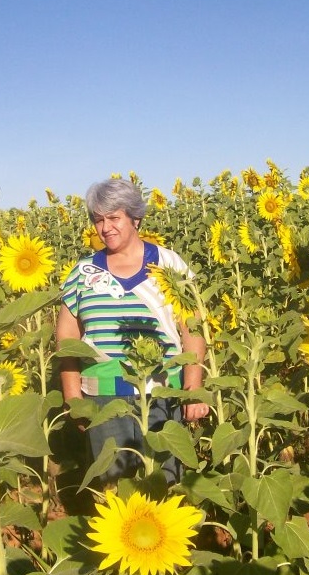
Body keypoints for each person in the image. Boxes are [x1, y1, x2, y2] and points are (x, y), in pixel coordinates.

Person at [56, 178, 209, 486]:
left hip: (162, 395)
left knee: (166, 486)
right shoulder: (83, 272)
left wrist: (192, 390)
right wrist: (73, 397)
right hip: (103, 399)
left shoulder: (169, 264)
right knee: (115, 488)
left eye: (114, 218)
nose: (105, 228)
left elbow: (192, 329)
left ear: (135, 218)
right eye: (98, 220)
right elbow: (67, 339)